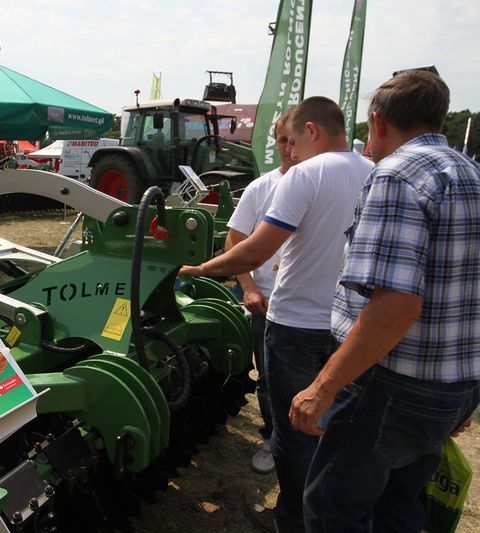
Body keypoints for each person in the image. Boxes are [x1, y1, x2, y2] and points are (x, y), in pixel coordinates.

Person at [290, 71, 480, 533]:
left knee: (335, 508)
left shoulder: (398, 176)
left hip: (392, 386)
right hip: (450, 385)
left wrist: (324, 386)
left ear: (377, 122)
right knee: (400, 504)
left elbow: (395, 305)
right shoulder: (470, 173)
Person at [180, 96, 373, 533]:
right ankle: (327, 514)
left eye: (292, 141)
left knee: (294, 429)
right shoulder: (373, 171)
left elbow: (257, 247)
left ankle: (293, 519)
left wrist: (201, 270)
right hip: (348, 325)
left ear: (311, 131)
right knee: (336, 423)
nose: (289, 153)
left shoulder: (307, 174)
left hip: (296, 324)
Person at [225, 109, 297, 475]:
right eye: (282, 141)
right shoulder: (262, 187)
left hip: (310, 306)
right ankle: (273, 438)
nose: (287, 149)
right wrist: (250, 288)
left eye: (293, 141)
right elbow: (235, 239)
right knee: (269, 378)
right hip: (267, 302)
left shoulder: (322, 182)